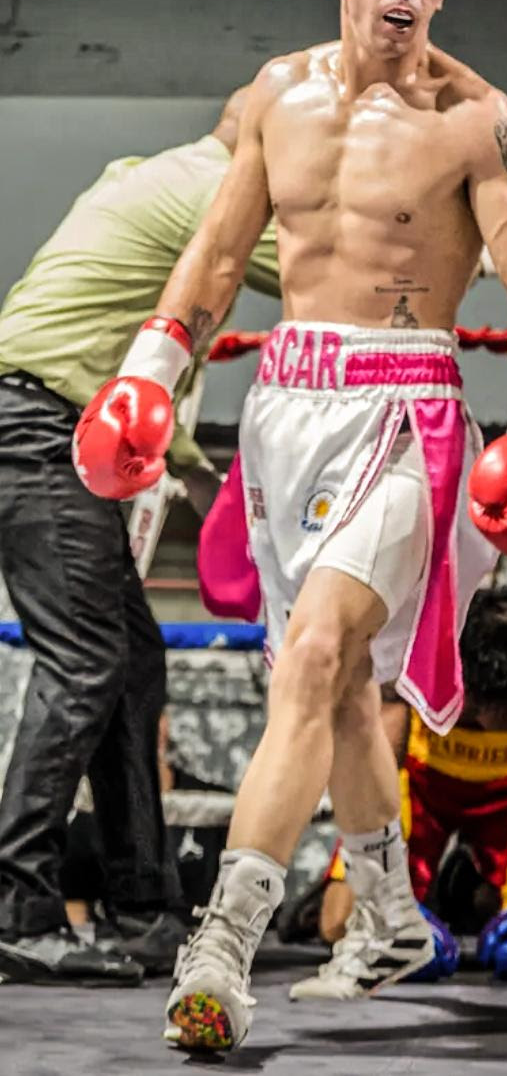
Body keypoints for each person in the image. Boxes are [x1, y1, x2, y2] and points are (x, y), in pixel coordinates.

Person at [73, 0, 507, 1049]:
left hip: (408, 414)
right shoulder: (276, 95)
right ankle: (392, 918)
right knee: (340, 683)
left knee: (309, 657)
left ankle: (221, 951)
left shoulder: (477, 118)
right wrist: (151, 371)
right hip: (286, 411)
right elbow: (216, 256)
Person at [0, 89, 279, 985]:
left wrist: (203, 480)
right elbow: (333, 267)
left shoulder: (147, 173)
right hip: (40, 426)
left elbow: (143, 356)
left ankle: (145, 908)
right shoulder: (217, 191)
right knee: (85, 661)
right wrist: (459, 233)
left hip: (50, 424)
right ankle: (17, 910)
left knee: (131, 659)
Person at [316, 588, 507, 983]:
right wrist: (380, 900)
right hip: (425, 773)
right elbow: (371, 780)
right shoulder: (409, 647)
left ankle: (469, 890)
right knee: (340, 921)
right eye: (477, 706)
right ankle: (454, 889)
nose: (491, 723)